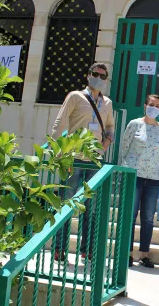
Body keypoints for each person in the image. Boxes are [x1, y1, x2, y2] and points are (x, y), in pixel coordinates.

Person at [50, 63, 115, 262]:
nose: (99, 78)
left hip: (94, 161)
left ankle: (86, 249)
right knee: (66, 203)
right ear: (88, 76)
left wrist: (106, 143)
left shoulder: (108, 103)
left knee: (91, 207)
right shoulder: (75, 96)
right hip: (74, 158)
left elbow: (110, 126)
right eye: (95, 74)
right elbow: (59, 124)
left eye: (103, 76)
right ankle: (59, 248)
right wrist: (61, 156)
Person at [120, 94, 159, 268]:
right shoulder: (134, 124)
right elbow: (124, 147)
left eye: (158, 105)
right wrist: (126, 169)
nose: (154, 107)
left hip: (153, 177)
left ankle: (144, 254)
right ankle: (128, 253)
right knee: (130, 216)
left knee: (148, 217)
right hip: (134, 175)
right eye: (151, 104)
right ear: (145, 105)